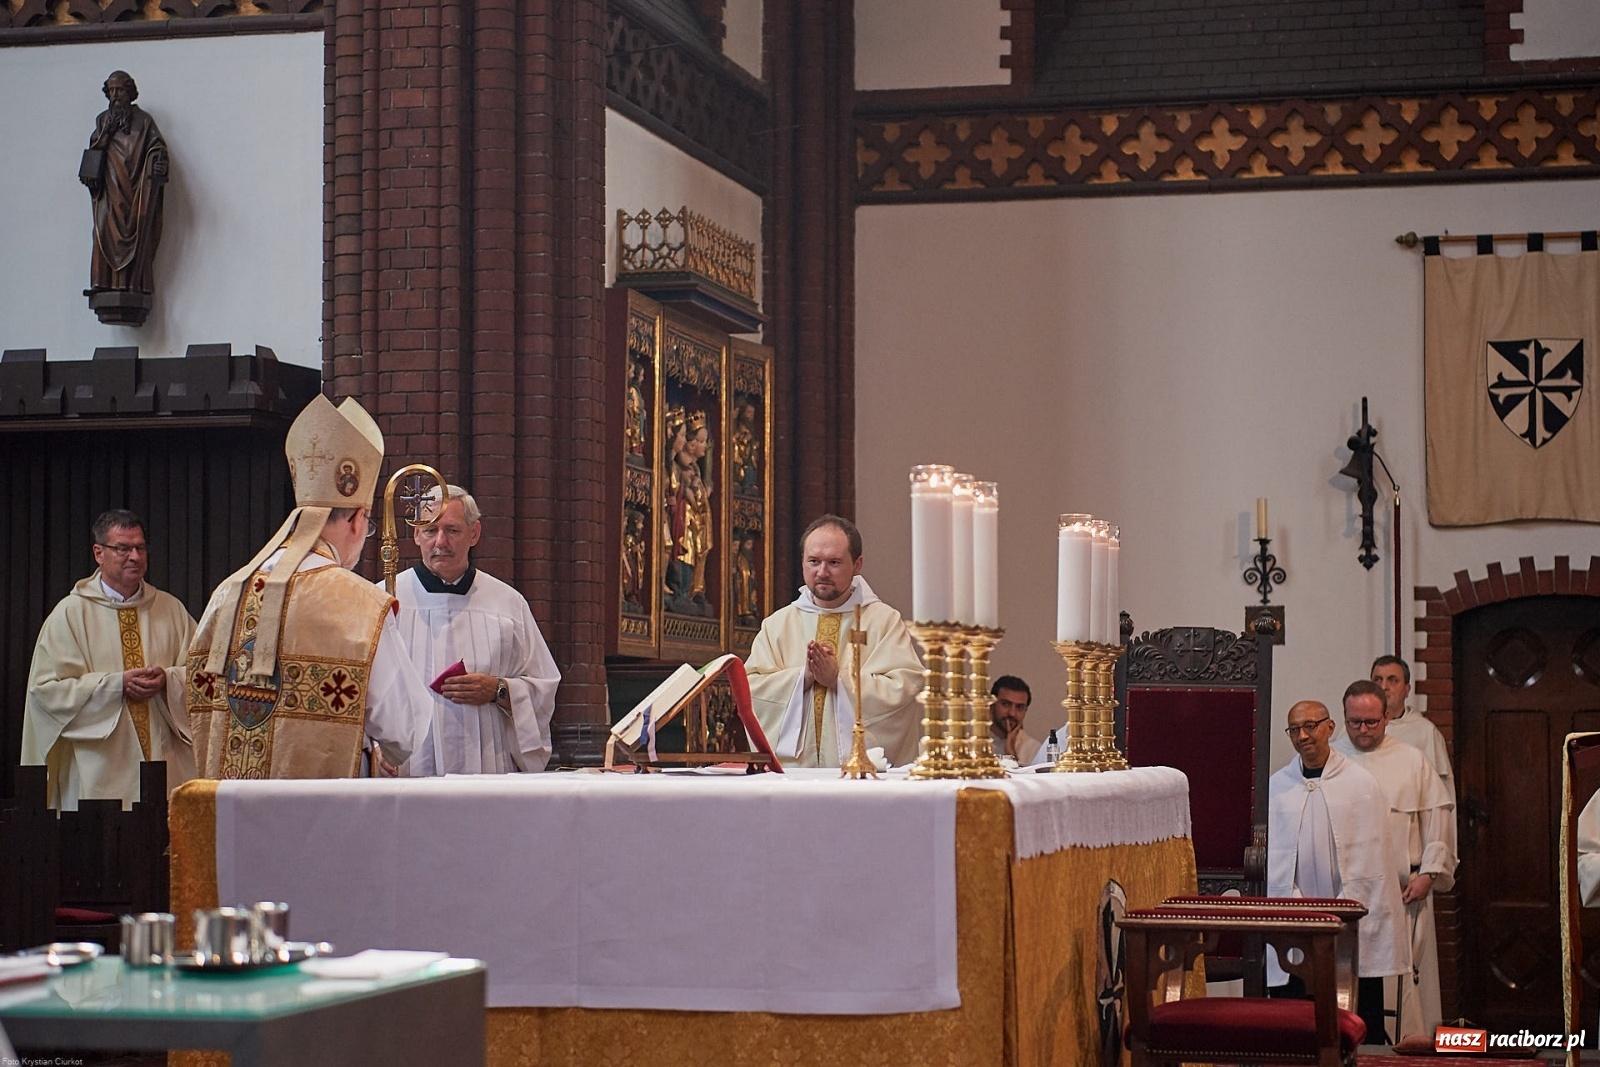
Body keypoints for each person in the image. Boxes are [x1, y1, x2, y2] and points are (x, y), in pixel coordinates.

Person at [186, 394, 431, 778]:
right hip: (326, 814)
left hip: (235, 809)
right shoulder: (360, 604)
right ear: (357, 519)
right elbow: (405, 727)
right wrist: (392, 756)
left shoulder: (227, 593)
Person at [22, 509, 196, 810]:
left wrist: (168, 681)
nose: (134, 556)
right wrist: (114, 686)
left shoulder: (171, 609)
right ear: (98, 553)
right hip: (98, 772)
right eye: (123, 548)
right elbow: (45, 693)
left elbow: (204, 675)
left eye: (140, 547)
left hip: (166, 766)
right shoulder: (70, 614)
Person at [387, 484, 561, 775]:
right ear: (416, 534)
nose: (441, 542)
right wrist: (378, 747)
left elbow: (543, 685)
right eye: (430, 530)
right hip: (409, 766)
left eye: (452, 530)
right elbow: (364, 693)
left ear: (474, 533)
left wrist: (499, 689)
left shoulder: (507, 603)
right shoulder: (387, 600)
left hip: (486, 765)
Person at [1267, 699, 1408, 1045]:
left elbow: (1374, 860)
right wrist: (1297, 903)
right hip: (1297, 917)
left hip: (1349, 916)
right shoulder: (1277, 786)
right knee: (1296, 1018)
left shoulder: (1361, 784)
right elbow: (1275, 859)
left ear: (1330, 727)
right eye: (1295, 730)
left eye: (1311, 726)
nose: (1303, 735)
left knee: (1359, 1011)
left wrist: (1345, 905)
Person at [745, 515, 924, 767]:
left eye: (834, 562)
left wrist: (839, 680)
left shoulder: (883, 621)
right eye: (814, 561)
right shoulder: (777, 624)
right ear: (802, 563)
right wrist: (802, 678)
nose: (822, 572)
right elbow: (751, 689)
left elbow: (904, 688)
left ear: (857, 564)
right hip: (794, 779)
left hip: (862, 780)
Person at [1333, 679, 1456, 1043]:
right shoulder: (1331, 760)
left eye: (1371, 722)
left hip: (1405, 894)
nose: (1363, 730)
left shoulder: (1411, 760)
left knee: (1403, 988)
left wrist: (1430, 874)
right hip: (1347, 897)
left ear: (1387, 717)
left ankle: (1407, 1047)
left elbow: (1438, 818)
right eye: (1354, 722)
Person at [81, 70, 167, 295]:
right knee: (100, 232)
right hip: (108, 191)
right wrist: (105, 135)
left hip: (135, 190)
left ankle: (130, 286)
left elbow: (157, 148)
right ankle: (102, 283)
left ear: (130, 91)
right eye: (111, 91)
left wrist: (158, 162)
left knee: (137, 234)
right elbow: (94, 151)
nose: (115, 95)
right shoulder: (103, 121)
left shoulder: (144, 122)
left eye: (119, 90)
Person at [1370, 655, 1455, 803]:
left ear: (1407, 689)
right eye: (1377, 680)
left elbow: (1440, 795)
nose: (1383, 687)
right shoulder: (1355, 730)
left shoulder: (1425, 732)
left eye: (1392, 680)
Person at [989, 675, 1048, 766]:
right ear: (992, 706)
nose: (1012, 713)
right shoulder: (973, 744)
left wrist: (1011, 755)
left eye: (1019, 707)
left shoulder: (1033, 749)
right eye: (1005, 704)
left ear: (1025, 711)